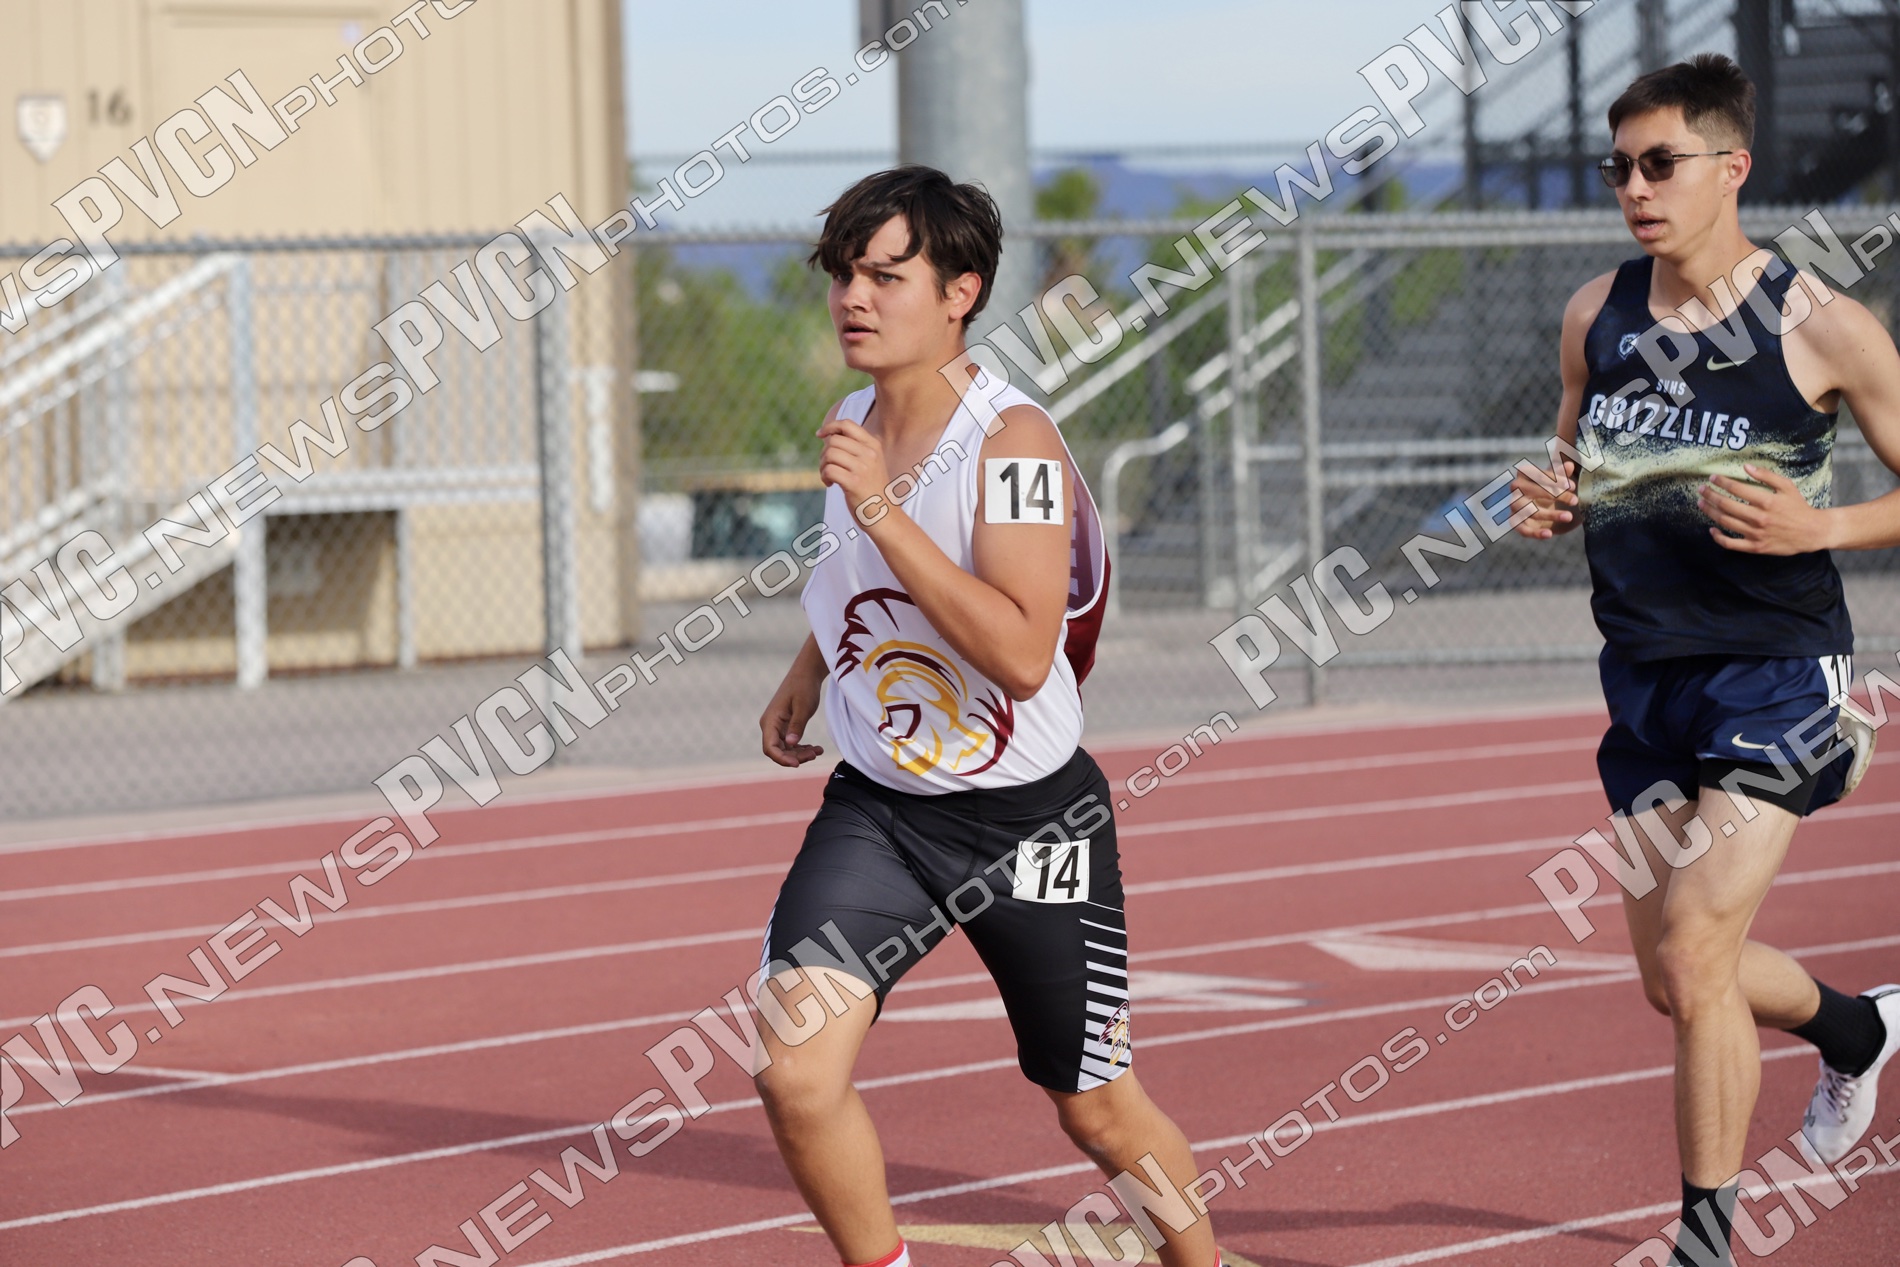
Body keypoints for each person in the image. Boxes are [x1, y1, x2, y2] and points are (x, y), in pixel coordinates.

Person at [751, 165, 1223, 1267]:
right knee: (794, 1070)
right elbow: (866, 569)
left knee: (1094, 1108)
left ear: (960, 292)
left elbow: (1018, 652)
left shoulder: (1013, 446)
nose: (853, 297)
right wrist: (810, 665)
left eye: (886, 276)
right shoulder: (854, 420)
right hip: (881, 814)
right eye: (843, 274)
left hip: (1032, 827)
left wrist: (880, 504)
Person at [1510, 54, 1900, 1265]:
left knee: (1693, 950)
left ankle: (1704, 1243)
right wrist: (1550, 500)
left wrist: (1819, 527)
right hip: (1645, 682)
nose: (1634, 187)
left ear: (1731, 168)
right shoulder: (1596, 314)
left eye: (1659, 163)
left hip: (1776, 672)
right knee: (1678, 981)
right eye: (1618, 167)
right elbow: (1575, 465)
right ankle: (1855, 1030)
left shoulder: (1821, 326)